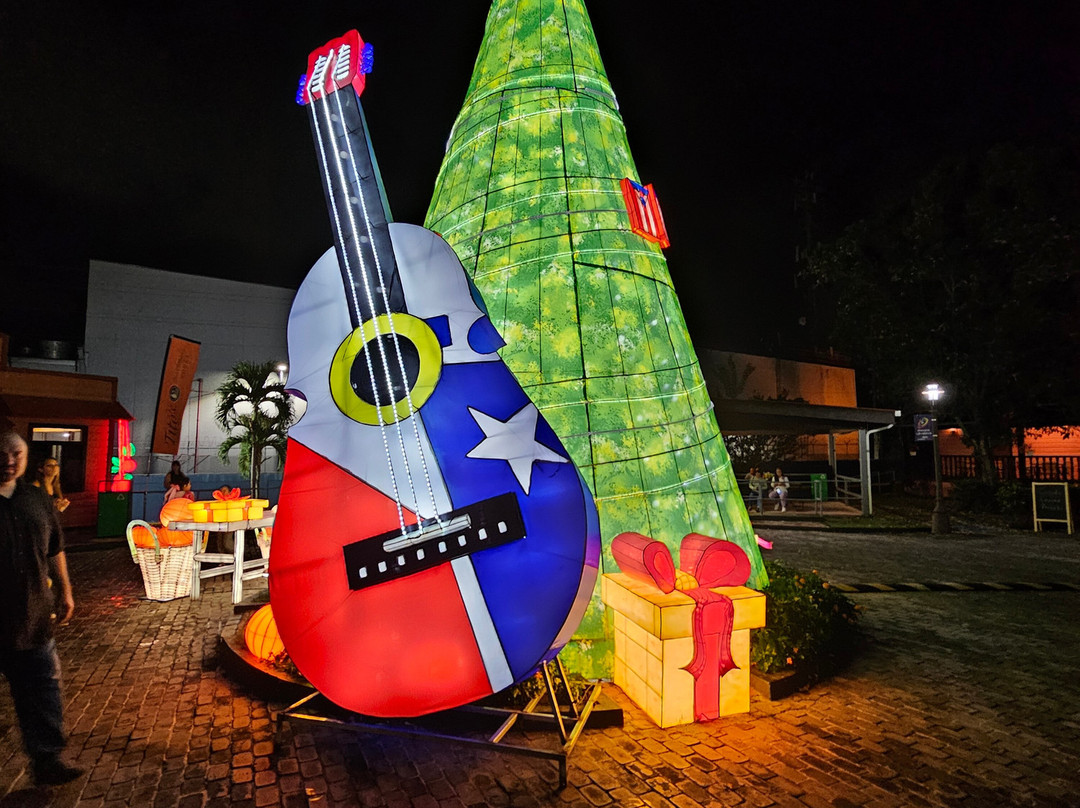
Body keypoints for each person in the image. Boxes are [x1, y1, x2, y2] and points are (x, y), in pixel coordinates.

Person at [0, 431, 83, 786]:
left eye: (16, 453)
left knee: (42, 691)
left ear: (25, 455)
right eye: (1, 453)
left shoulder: (35, 498)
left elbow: (55, 548)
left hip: (34, 614)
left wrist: (65, 590)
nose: (8, 460)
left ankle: (47, 760)